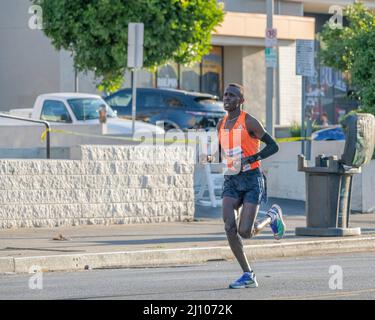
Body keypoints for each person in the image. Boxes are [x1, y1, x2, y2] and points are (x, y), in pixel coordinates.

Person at [216, 83, 286, 289]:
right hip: (231, 179)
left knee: (245, 232)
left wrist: (253, 157)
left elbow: (274, 146)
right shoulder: (221, 124)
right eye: (225, 94)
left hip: (251, 180)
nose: (226, 98)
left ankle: (271, 217)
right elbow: (222, 151)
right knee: (229, 226)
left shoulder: (249, 121)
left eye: (232, 95)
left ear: (241, 101)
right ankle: (248, 274)